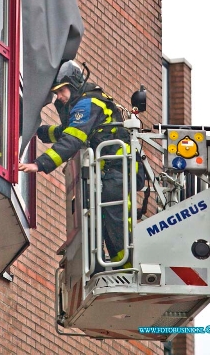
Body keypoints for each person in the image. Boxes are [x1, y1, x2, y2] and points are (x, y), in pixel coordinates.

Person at [19, 60, 145, 266]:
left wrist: (40, 164)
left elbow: (73, 138)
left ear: (74, 83)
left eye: (61, 91)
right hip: (107, 171)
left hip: (118, 169)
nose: (58, 97)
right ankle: (114, 265)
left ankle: (127, 267)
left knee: (115, 218)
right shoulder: (83, 104)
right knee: (103, 218)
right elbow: (64, 132)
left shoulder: (88, 103)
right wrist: (37, 131)